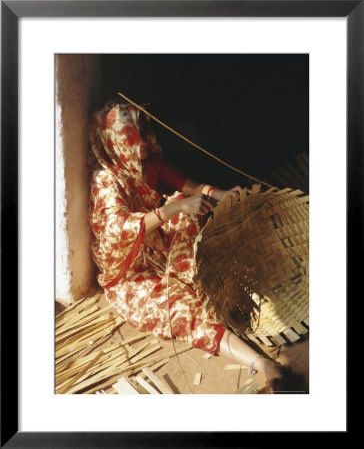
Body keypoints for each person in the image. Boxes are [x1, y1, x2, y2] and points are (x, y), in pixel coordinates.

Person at [89, 98, 290, 393]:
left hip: (159, 244)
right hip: (131, 272)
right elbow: (115, 233)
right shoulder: (105, 181)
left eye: (145, 134)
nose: (144, 145)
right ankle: (263, 364)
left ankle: (213, 292)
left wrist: (221, 194)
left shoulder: (148, 160)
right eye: (135, 139)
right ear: (114, 141)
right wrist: (171, 211)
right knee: (180, 311)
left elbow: (187, 185)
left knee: (187, 213)